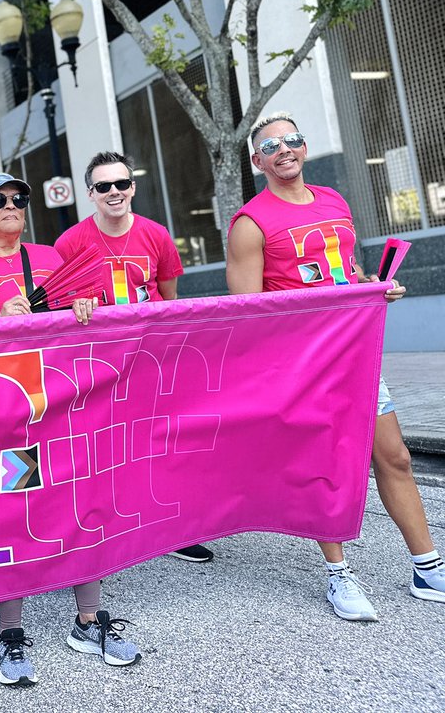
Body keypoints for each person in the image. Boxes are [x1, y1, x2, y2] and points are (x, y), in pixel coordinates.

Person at [226, 113, 444, 620]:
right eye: (271, 145)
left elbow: (347, 273)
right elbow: (248, 312)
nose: (284, 149)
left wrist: (373, 287)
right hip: (304, 367)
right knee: (326, 468)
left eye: (292, 139)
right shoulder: (251, 223)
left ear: (304, 147)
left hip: (358, 353)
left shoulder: (334, 202)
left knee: (396, 458)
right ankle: (338, 576)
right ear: (258, 161)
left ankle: (427, 567)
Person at [0, 172, 141, 686]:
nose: (10, 205)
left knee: (82, 503)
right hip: (5, 416)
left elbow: (97, 324)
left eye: (18, 198)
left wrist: (87, 309)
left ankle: (90, 620)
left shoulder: (54, 258)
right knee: (11, 513)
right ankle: (11, 632)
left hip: (66, 408)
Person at [54, 151, 213, 566]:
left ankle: (174, 528)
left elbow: (169, 295)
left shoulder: (156, 234)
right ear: (90, 194)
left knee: (162, 439)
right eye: (103, 186)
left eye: (121, 184)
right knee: (104, 444)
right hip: (100, 362)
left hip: (151, 357)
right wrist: (78, 306)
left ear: (133, 188)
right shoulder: (69, 243)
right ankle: (103, 529)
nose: (114, 192)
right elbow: (57, 307)